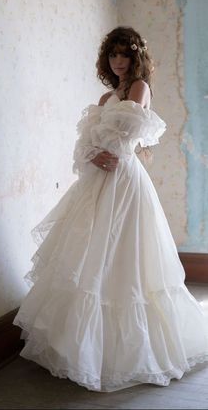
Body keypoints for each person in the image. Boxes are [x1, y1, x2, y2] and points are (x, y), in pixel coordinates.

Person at [13, 26, 208, 392]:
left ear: (136, 59)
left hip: (125, 181)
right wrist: (92, 153)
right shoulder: (105, 100)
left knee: (125, 256)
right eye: (113, 55)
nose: (118, 62)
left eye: (125, 55)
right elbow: (86, 142)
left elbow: (124, 137)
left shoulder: (139, 89)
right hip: (99, 181)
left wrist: (103, 148)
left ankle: (129, 353)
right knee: (88, 254)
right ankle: (78, 348)